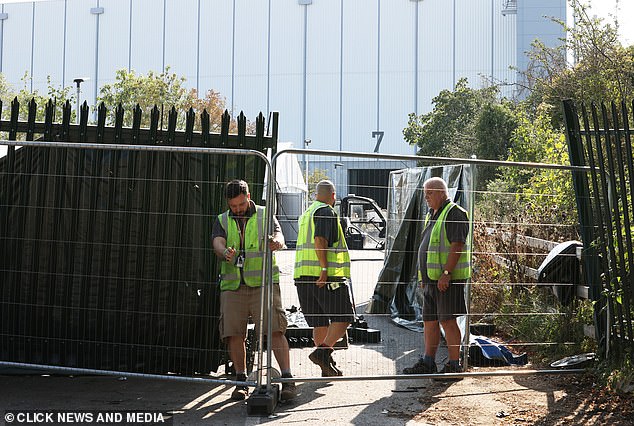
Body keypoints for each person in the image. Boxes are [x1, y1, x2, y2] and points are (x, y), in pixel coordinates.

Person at [212, 179, 296, 401]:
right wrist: (224, 252)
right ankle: (241, 381)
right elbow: (217, 242)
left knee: (275, 330)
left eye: (240, 204)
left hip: (264, 284)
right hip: (233, 286)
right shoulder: (222, 219)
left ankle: (287, 380)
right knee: (234, 334)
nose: (237, 209)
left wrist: (276, 242)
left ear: (248, 196)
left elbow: (279, 235)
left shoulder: (265, 214)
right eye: (233, 206)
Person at [403, 177, 471, 380]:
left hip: (446, 281)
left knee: (448, 321)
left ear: (441, 192)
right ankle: (428, 362)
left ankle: (453, 366)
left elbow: (457, 246)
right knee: (430, 321)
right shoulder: (432, 215)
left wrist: (446, 274)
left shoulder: (454, 214)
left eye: (429, 193)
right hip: (432, 280)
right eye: (425, 194)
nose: (426, 198)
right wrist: (425, 276)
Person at [294, 180, 354, 377]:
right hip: (323, 277)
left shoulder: (306, 214)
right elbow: (320, 239)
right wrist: (324, 269)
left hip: (303, 277)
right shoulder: (326, 211)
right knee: (344, 317)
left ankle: (325, 365)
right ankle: (323, 352)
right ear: (333, 195)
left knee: (319, 322)